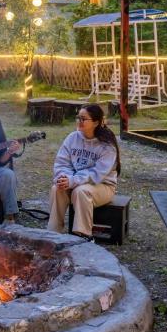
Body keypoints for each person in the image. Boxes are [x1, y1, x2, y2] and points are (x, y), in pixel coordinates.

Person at [47, 103, 121, 241]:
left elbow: (96, 174)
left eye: (83, 119)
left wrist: (72, 181)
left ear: (96, 122)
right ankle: (53, 234)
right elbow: (62, 162)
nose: (79, 121)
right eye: (78, 118)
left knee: (81, 191)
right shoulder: (72, 138)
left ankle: (82, 237)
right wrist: (64, 178)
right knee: (57, 188)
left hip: (103, 186)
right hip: (76, 181)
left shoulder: (107, 145)